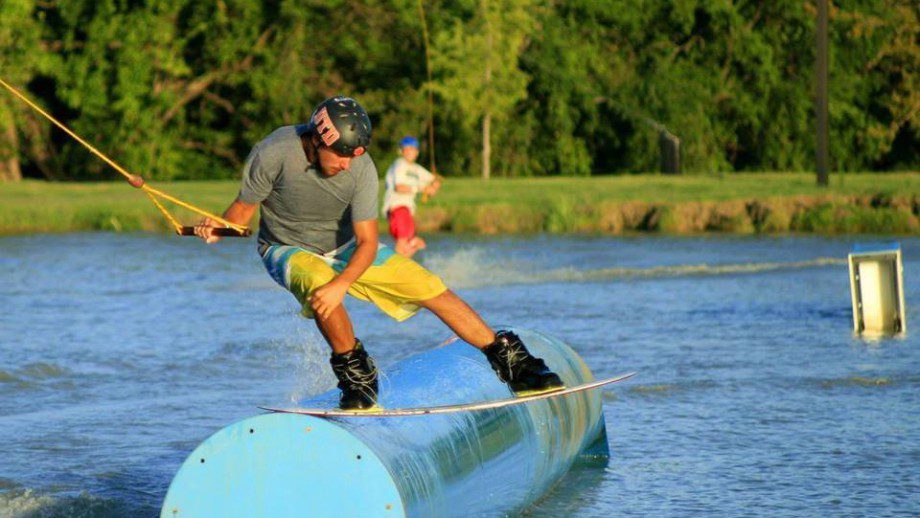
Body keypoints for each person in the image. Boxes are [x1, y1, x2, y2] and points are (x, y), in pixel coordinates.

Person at [194, 96, 561, 410]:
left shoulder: (361, 170)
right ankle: (357, 380)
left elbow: (368, 243)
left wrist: (344, 282)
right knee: (319, 284)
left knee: (428, 285)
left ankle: (515, 366)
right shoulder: (273, 152)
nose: (346, 165)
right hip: (285, 247)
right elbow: (241, 215)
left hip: (348, 247)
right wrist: (217, 226)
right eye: (339, 156)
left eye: (353, 156)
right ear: (317, 140)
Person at [381, 136, 440, 258]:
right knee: (402, 243)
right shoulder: (399, 164)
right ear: (401, 151)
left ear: (417, 152)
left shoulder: (416, 169)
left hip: (407, 210)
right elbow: (399, 187)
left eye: (412, 149)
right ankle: (396, 272)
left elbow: (434, 180)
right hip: (397, 208)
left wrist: (434, 185)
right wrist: (422, 189)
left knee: (413, 244)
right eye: (406, 149)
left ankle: (404, 270)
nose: (409, 152)